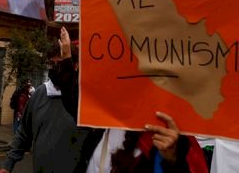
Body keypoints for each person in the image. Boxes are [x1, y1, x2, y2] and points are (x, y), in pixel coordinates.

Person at [57, 27, 208, 173]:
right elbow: (76, 103)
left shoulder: (167, 136)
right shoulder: (105, 119)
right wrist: (66, 57)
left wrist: (173, 160)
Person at [0, 34, 86, 173]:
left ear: (75, 66)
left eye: (61, 65)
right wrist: (7, 164)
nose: (55, 69)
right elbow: (24, 133)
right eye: (52, 64)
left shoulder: (85, 100)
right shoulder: (39, 94)